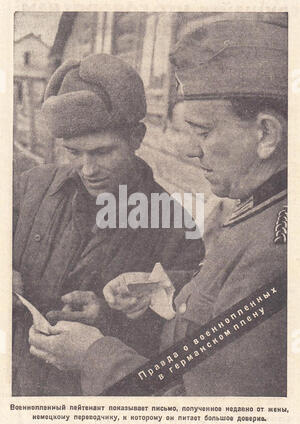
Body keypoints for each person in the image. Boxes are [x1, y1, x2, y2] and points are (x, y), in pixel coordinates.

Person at [29, 14, 288, 396]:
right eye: (74, 152)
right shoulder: (259, 209)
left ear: (266, 133)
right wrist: (161, 293)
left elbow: (210, 410)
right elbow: (212, 320)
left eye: (202, 131)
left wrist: (93, 356)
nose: (189, 148)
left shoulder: (276, 250)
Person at [13, 54, 203, 396]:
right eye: (74, 153)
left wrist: (108, 320)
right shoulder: (29, 188)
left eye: (102, 152)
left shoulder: (175, 226)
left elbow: (179, 345)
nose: (87, 169)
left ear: (136, 137)